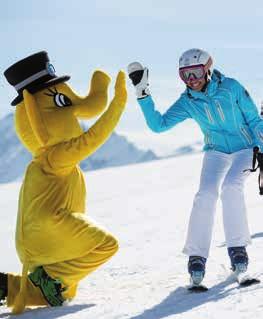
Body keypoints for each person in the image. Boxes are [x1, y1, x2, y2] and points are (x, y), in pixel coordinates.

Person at [2, 51, 127, 314]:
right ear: (36, 118)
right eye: (61, 102)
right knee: (106, 245)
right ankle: (43, 281)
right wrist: (117, 104)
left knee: (64, 291)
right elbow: (92, 138)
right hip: (51, 228)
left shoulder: (42, 160)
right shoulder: (58, 155)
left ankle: (11, 287)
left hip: (37, 238)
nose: (74, 113)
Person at [128, 48, 263, 286]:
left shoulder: (231, 88)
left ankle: (238, 250)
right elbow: (159, 125)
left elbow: (254, 120)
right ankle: (197, 257)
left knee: (231, 187)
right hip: (215, 152)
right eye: (185, 75)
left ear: (208, 70)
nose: (192, 80)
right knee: (205, 194)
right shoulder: (188, 102)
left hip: (245, 148)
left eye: (196, 73)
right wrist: (143, 94)